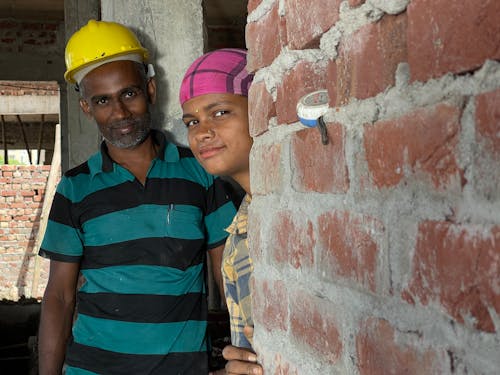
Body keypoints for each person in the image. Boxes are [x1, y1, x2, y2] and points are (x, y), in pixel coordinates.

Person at [38, 20, 236, 375]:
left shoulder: (200, 173)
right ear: (86, 108)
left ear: (150, 90)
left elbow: (231, 276)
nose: (119, 113)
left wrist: (243, 351)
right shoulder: (75, 188)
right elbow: (60, 296)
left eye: (129, 94)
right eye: (102, 100)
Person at [179, 48, 263, 375]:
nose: (202, 132)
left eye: (221, 112)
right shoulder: (240, 227)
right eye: (192, 121)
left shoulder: (304, 217)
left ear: (259, 110)